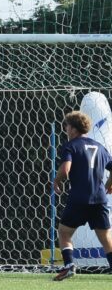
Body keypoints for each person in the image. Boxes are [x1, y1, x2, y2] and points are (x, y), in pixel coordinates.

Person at [51, 111, 112, 281]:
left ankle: (69, 266)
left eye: (67, 126)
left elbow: (65, 169)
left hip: (79, 198)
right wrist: (108, 185)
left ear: (73, 128)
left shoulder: (71, 146)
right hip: (99, 199)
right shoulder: (100, 147)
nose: (65, 129)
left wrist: (57, 181)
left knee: (64, 233)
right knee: (106, 237)